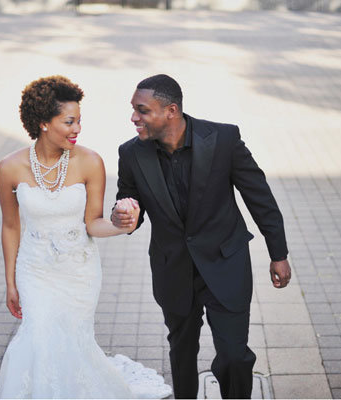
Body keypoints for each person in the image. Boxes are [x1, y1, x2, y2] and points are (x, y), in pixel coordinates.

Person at [111, 74, 292, 399]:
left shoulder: (223, 139)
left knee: (235, 356)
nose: (134, 118)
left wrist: (278, 253)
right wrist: (123, 215)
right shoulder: (131, 154)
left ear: (171, 111)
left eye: (142, 110)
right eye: (133, 109)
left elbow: (259, 196)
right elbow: (128, 202)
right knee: (181, 352)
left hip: (226, 264)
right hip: (173, 270)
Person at [0, 75, 171, 399]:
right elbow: (10, 226)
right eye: (69, 121)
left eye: (79, 121)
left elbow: (93, 223)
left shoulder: (90, 162)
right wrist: (10, 282)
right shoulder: (9, 168)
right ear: (44, 123)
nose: (77, 129)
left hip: (79, 272)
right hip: (34, 270)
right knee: (38, 336)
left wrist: (122, 224)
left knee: (72, 340)